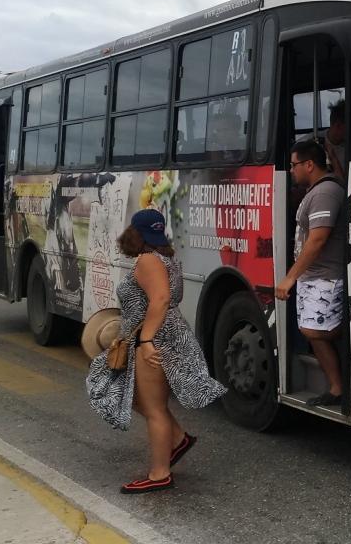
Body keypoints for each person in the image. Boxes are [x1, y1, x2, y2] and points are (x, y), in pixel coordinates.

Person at [86, 209, 226, 494]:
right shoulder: (167, 259)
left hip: (154, 338)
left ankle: (160, 473)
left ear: (134, 234)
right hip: (167, 334)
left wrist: (147, 339)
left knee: (154, 409)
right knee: (139, 398)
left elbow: (160, 299)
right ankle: (178, 439)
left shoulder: (148, 260)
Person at [277, 140, 347, 408]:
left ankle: (338, 387)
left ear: (309, 165)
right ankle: (337, 386)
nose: (291, 170)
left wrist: (290, 277)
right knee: (312, 331)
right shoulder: (318, 190)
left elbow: (317, 240)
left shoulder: (325, 193)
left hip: (325, 276)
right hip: (315, 277)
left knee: (315, 331)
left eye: (293, 165)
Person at [322, 100, 347, 181]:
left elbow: (344, 184)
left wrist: (333, 157)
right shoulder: (310, 142)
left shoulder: (350, 149)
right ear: (338, 126)